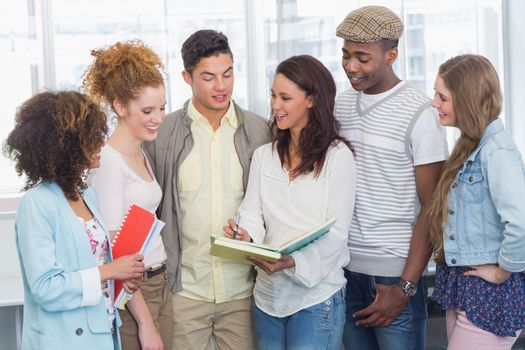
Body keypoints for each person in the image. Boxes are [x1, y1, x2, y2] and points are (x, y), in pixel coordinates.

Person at [142, 30, 270, 350]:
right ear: (187, 77)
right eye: (209, 77)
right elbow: (148, 209)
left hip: (243, 292)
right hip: (184, 293)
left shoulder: (261, 131)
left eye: (227, 74)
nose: (221, 86)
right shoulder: (161, 134)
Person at [334, 5, 449, 350]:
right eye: (345, 55)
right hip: (343, 272)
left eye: (362, 58)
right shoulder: (340, 105)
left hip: (395, 276)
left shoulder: (421, 113)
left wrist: (406, 288)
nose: (351, 66)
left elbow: (432, 208)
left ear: (391, 55)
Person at [223, 54, 356, 350]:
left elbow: (337, 235)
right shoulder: (264, 156)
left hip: (317, 298)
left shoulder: (338, 158)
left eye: (285, 97)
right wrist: (246, 237)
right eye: (272, 95)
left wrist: (292, 261)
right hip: (267, 299)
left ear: (311, 100)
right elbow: (252, 213)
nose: (274, 105)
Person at [4, 91, 145, 350]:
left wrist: (120, 280)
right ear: (66, 146)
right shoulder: (36, 204)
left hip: (102, 331)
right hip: (64, 340)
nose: (101, 144)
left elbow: (91, 265)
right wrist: (110, 272)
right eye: (92, 138)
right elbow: (46, 288)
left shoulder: (87, 196)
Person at [428, 54, 525, 350]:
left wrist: (501, 271)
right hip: (464, 284)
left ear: (466, 100)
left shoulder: (497, 152)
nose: (434, 103)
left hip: (489, 293)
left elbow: (520, 223)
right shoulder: (468, 146)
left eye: (442, 97)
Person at [83, 40, 172, 350]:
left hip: (159, 282)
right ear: (120, 107)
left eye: (162, 108)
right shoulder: (108, 161)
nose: (158, 118)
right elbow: (114, 252)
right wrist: (146, 323)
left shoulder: (141, 152)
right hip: (135, 294)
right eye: (147, 110)